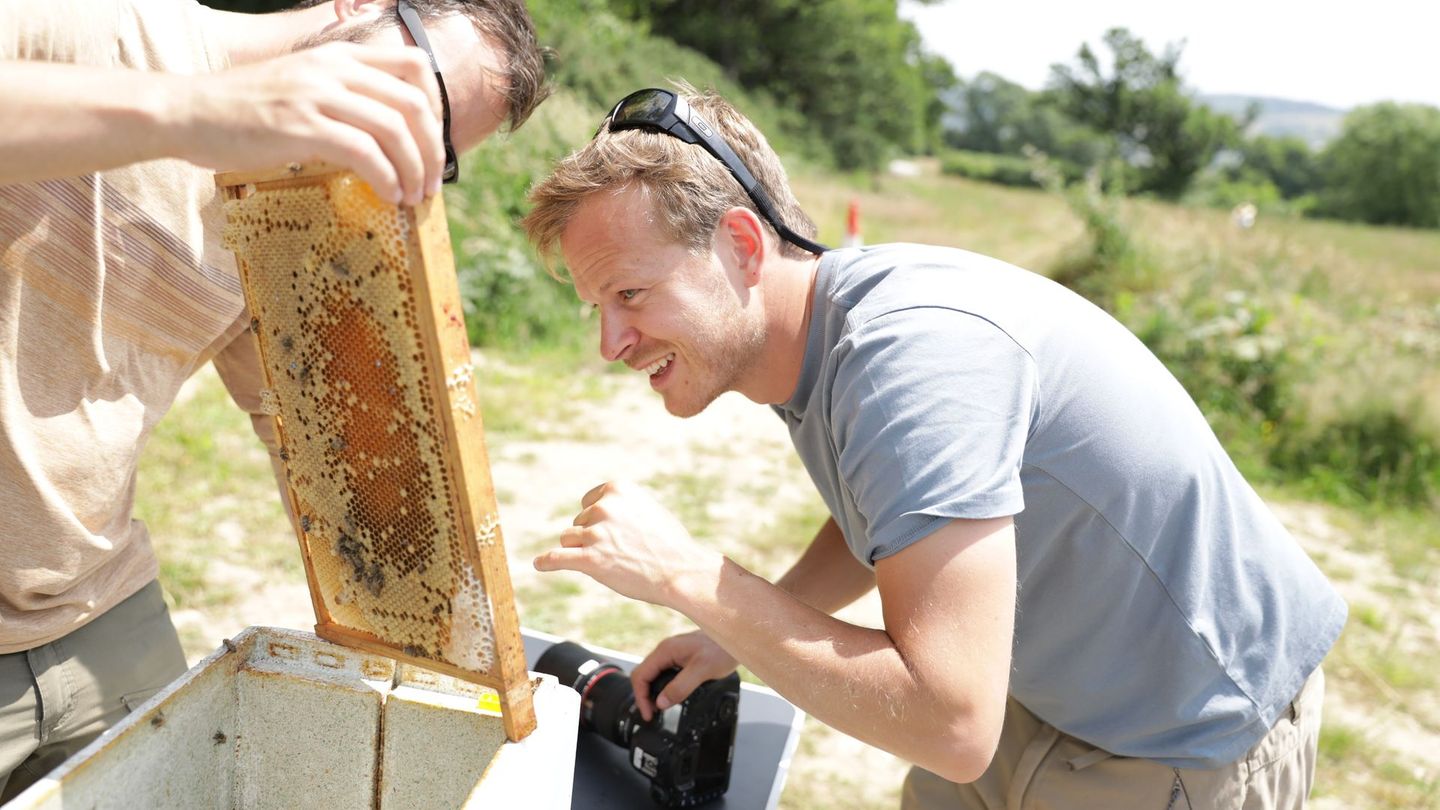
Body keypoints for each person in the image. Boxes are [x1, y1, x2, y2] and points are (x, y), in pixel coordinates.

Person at [521, 86, 1346, 808]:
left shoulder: (905, 361)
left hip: (1183, 730)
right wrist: (732, 634)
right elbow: (887, 512)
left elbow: (951, 724)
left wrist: (695, 582)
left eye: (630, 293)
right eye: (599, 305)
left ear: (741, 245)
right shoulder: (813, 336)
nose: (610, 342)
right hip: (1039, 691)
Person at [0, 0, 546, 798]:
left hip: (97, 605)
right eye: (408, 83)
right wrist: (198, 113)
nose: (391, 130)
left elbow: (316, 439)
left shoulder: (288, 203)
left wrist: (445, 630)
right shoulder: (96, 24)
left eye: (434, 143)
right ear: (357, 7)